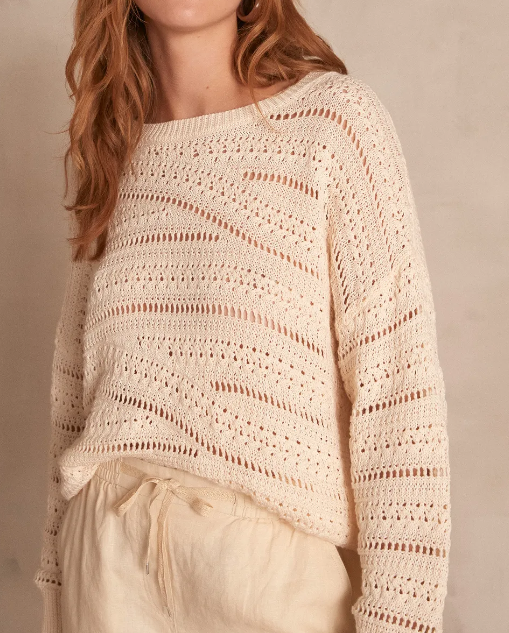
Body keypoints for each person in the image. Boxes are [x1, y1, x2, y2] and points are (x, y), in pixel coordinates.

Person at [33, 0, 452, 632]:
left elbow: (398, 393)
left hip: (267, 574)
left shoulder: (333, 125)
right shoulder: (113, 146)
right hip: (106, 565)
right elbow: (74, 394)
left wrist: (401, 618)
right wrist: (57, 586)